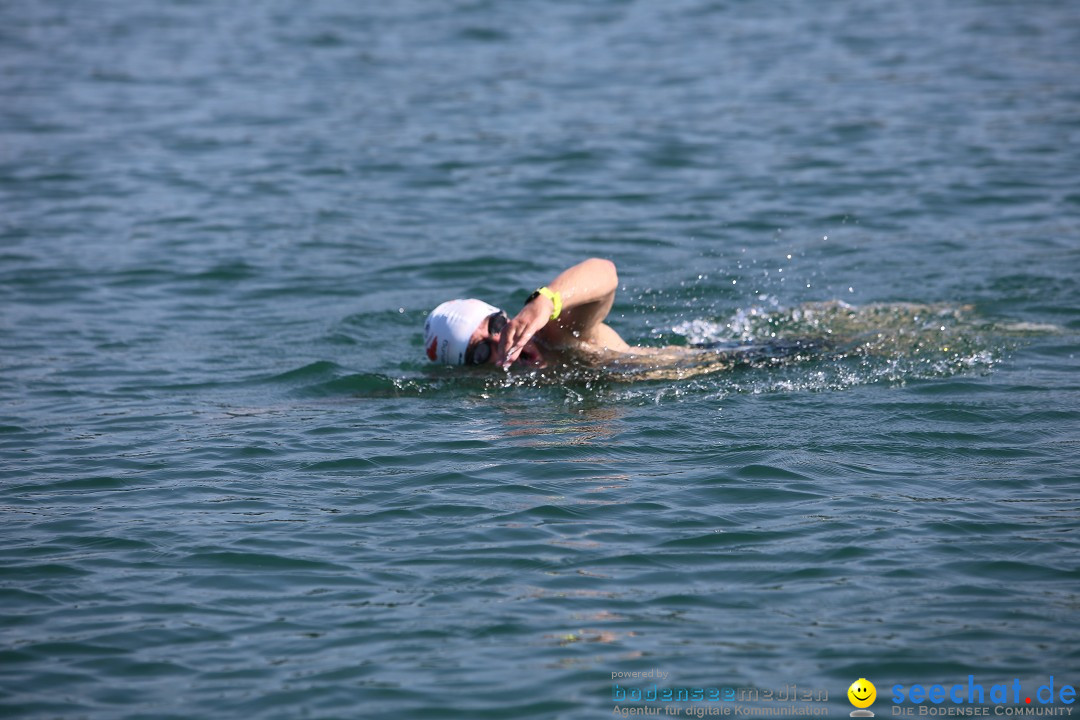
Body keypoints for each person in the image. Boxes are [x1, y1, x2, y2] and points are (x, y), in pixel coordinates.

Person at [423, 258, 631, 369]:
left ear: (504, 315)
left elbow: (606, 273)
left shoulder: (558, 333)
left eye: (495, 325)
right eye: (481, 352)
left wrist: (546, 301)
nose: (498, 340)